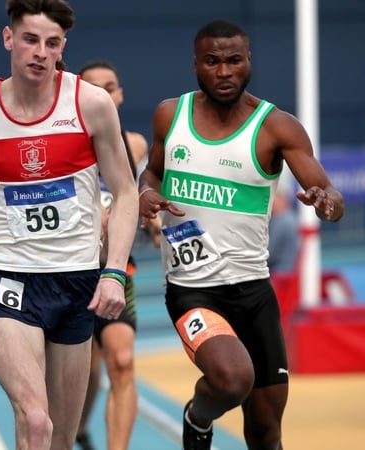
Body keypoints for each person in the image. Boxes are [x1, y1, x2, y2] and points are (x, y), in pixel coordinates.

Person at [0, 0, 139, 448]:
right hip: (8, 277)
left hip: (76, 281)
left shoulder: (91, 103)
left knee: (61, 439)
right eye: (30, 39)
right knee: (34, 421)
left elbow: (125, 191)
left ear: (63, 46)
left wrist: (113, 271)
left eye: (52, 43)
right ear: (9, 39)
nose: (40, 52)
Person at [137, 20, 344, 450]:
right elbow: (152, 172)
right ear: (196, 65)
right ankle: (198, 416)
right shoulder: (170, 115)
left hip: (253, 291)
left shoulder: (277, 127)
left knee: (267, 432)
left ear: (248, 61)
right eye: (212, 61)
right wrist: (147, 194)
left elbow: (330, 194)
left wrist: (326, 199)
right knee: (232, 379)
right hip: (193, 291)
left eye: (234, 60)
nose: (224, 71)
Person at [74, 60, 161, 450]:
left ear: (120, 94)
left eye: (110, 87)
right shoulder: (64, 144)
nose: (104, 95)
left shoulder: (136, 144)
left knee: (122, 362)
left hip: (115, 269)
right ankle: (75, 430)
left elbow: (142, 192)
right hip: (68, 273)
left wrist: (153, 218)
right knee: (84, 375)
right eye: (94, 88)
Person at [268, 185, 300, 272]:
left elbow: (270, 252)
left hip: (282, 271)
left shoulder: (281, 220)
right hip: (293, 268)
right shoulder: (293, 217)